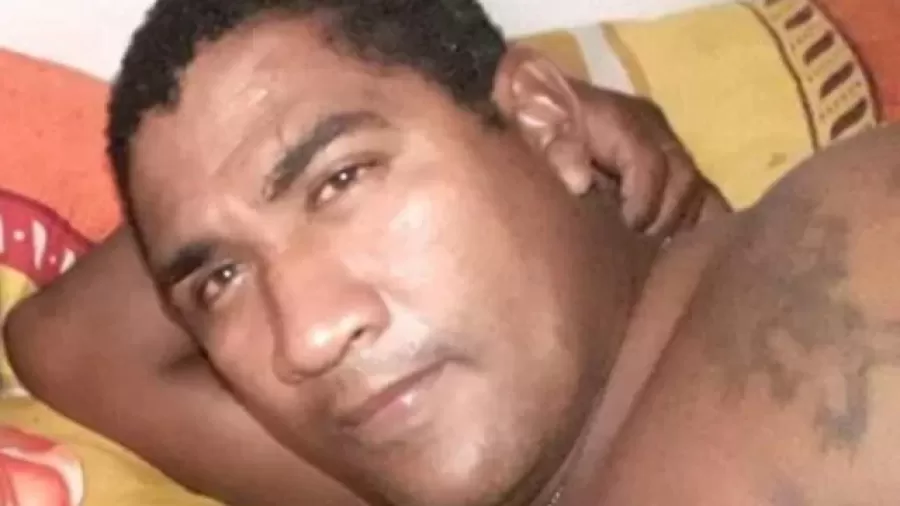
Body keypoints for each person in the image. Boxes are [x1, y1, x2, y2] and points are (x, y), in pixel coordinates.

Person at [13, 0, 900, 505]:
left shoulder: (850, 246)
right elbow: (72, 343)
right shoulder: (427, 462)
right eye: (223, 278)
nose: (307, 335)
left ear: (545, 123)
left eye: (342, 179)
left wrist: (489, 98)